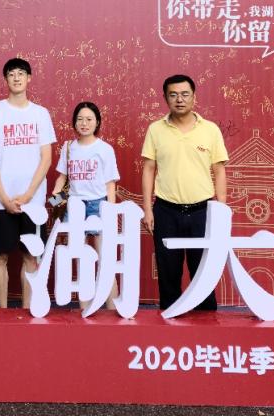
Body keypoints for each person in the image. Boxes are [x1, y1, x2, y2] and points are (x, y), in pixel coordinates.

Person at [140, 74, 228, 311]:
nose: (179, 99)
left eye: (185, 94)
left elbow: (219, 170)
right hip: (165, 210)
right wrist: (148, 209)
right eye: (173, 95)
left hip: (202, 211)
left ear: (194, 97)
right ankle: (170, 316)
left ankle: (207, 321)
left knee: (203, 270)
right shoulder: (155, 129)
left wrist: (221, 209)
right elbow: (148, 169)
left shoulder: (210, 130)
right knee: (168, 271)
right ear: (165, 98)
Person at [0, 57, 56, 309]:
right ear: (6, 79)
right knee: (0, 256)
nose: (17, 78)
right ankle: (2, 311)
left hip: (33, 201)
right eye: (11, 74)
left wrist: (29, 194)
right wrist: (3, 197)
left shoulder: (40, 114)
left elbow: (46, 158)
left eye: (21, 73)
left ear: (29, 78)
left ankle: (26, 310)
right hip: (1, 200)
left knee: (31, 256)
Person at [50, 101, 120, 309]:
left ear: (97, 122)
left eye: (89, 119)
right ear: (74, 123)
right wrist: (55, 197)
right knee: (81, 260)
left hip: (99, 205)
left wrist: (110, 213)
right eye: (80, 119)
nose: (84, 123)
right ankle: (84, 309)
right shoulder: (68, 148)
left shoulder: (105, 149)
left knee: (106, 260)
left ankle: (113, 310)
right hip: (75, 205)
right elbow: (62, 177)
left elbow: (110, 184)